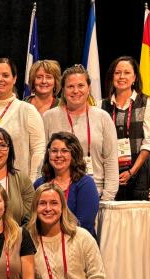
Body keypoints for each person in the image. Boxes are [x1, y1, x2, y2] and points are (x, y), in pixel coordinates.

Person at [43, 64, 119, 200]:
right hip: (57, 194)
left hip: (95, 192)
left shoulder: (103, 117)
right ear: (63, 90)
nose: (75, 91)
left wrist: (107, 197)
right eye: (70, 86)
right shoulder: (49, 117)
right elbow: (43, 158)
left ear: (88, 88)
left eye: (80, 85)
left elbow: (111, 161)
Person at [100, 56, 150, 200]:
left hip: (140, 176)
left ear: (134, 78)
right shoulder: (100, 106)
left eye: (126, 73)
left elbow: (149, 144)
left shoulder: (147, 104)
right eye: (117, 72)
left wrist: (131, 172)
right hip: (108, 175)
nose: (121, 77)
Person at [34, 132, 99, 236]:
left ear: (73, 154)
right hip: (45, 241)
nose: (58, 155)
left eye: (64, 151)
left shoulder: (86, 184)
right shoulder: (39, 184)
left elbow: (85, 223)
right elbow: (34, 218)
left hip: (77, 242)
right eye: (54, 151)